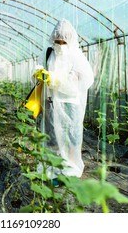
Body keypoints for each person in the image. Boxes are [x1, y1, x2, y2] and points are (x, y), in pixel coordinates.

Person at [33, 19, 94, 186]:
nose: (60, 44)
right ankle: (53, 170)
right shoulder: (49, 53)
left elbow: (85, 79)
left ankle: (70, 170)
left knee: (71, 137)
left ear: (70, 41)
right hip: (51, 102)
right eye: (57, 41)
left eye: (63, 41)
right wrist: (39, 72)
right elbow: (39, 65)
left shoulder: (76, 56)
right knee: (52, 138)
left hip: (70, 103)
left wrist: (57, 79)